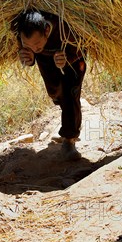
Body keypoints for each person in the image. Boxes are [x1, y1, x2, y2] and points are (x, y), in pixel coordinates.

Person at [13, 10, 86, 161]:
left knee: (70, 94)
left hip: (73, 60)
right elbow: (28, 50)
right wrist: (29, 56)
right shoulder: (22, 31)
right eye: (29, 45)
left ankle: (69, 139)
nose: (33, 47)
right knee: (55, 93)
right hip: (45, 60)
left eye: (37, 44)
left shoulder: (64, 28)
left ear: (46, 31)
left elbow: (84, 45)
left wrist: (67, 59)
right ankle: (68, 123)